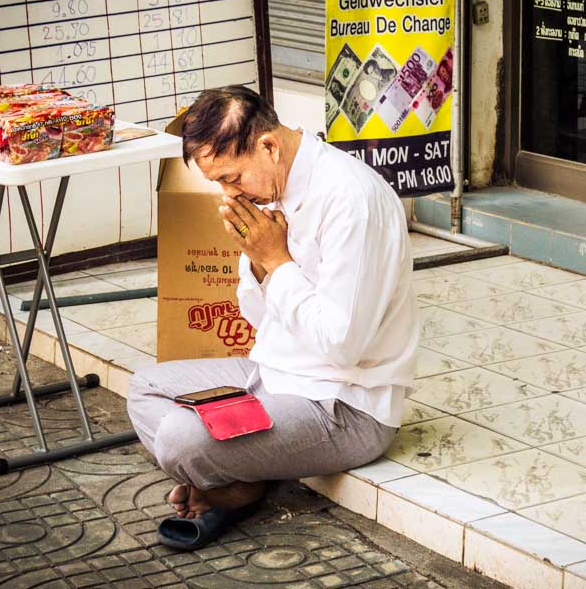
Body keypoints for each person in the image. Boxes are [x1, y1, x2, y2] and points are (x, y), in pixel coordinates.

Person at [126, 85, 420, 549]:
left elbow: (343, 344)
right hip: (272, 374)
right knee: (144, 387)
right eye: (219, 183)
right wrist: (258, 261)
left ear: (268, 146)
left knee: (181, 438)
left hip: (343, 404)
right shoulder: (272, 192)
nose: (227, 194)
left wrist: (277, 260)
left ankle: (229, 481)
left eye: (232, 177)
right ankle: (233, 479)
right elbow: (260, 321)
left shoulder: (350, 200)